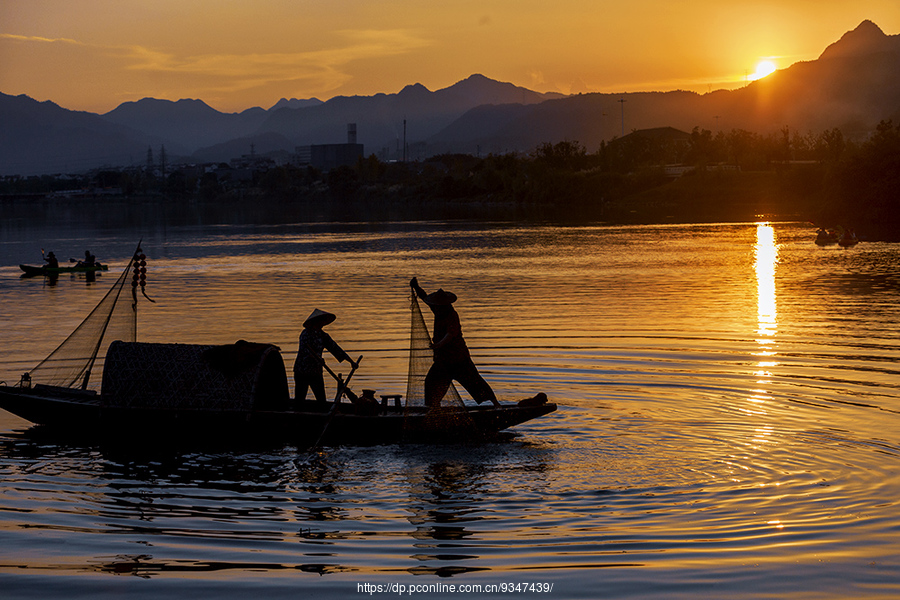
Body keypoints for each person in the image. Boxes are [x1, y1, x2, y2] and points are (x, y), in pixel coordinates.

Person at [409, 277, 500, 409]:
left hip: (459, 359)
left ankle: (496, 405)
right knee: (431, 383)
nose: (437, 307)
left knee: (475, 382)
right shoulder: (438, 310)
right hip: (443, 360)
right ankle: (434, 410)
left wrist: (439, 344)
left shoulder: (452, 315)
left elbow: (450, 334)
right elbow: (425, 298)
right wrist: (416, 287)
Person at [293, 308, 357, 403]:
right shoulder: (305, 334)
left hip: (316, 371)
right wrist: (317, 359)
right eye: (320, 321)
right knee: (299, 400)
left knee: (321, 400)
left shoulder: (323, 336)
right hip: (302, 370)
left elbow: (335, 348)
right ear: (315, 321)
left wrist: (351, 361)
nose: (322, 323)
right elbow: (305, 352)